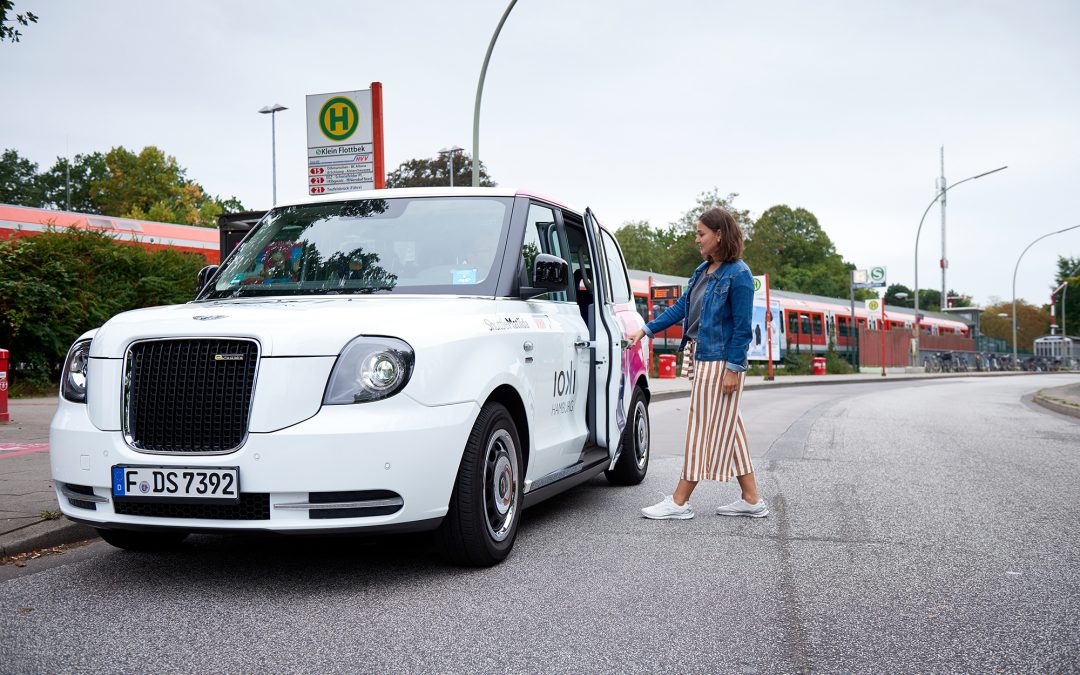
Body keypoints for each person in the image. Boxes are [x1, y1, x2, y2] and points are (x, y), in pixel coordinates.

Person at [626, 207, 767, 520]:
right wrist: (646, 330)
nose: (696, 239)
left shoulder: (739, 275)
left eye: (701, 233)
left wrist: (734, 369)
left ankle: (679, 501)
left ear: (719, 235)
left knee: (700, 428)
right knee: (732, 428)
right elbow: (681, 308)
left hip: (720, 362)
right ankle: (752, 498)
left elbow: (743, 329)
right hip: (702, 356)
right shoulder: (702, 271)